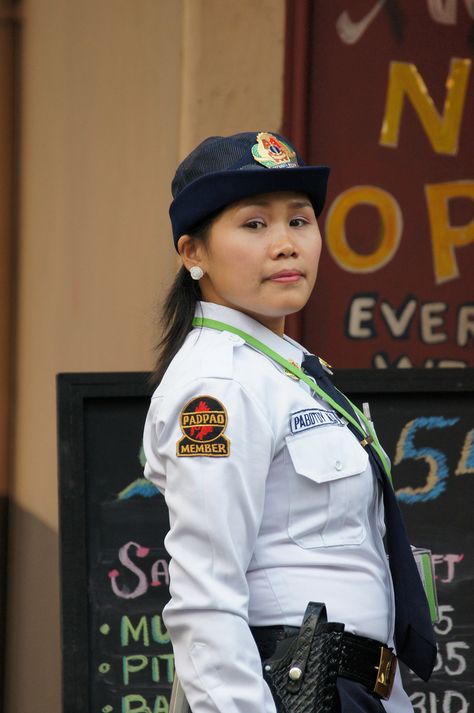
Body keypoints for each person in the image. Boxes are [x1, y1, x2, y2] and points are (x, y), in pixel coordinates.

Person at [142, 131, 436, 713]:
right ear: (192, 253)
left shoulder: (289, 370)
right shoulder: (218, 386)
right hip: (295, 686)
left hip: (357, 688)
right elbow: (205, 595)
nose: (286, 244)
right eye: (254, 225)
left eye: (300, 221)